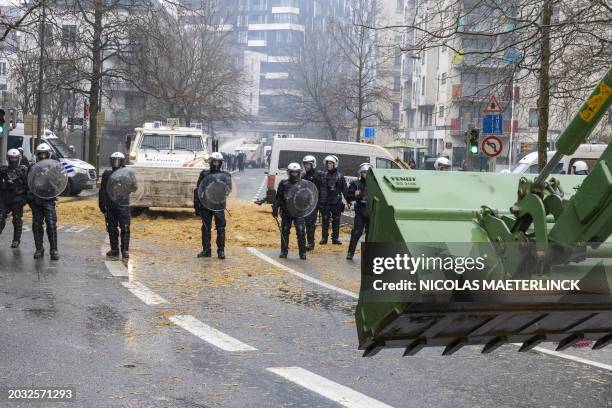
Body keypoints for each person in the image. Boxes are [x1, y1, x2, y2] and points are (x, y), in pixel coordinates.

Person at [194, 152, 230, 259]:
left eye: (218, 162)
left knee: (221, 228)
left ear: (221, 163)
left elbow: (228, 189)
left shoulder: (225, 176)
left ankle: (221, 251)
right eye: (214, 161)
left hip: (219, 205)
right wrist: (197, 206)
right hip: (206, 204)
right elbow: (198, 190)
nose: (216, 164)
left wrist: (221, 191)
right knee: (205, 228)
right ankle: (206, 250)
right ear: (210, 161)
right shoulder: (204, 174)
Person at [99, 152, 133, 259]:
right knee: (112, 228)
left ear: (122, 162)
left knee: (125, 227)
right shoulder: (107, 174)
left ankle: (125, 250)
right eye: (114, 160)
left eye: (118, 161)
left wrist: (126, 185)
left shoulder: (128, 173)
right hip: (110, 205)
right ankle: (114, 249)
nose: (116, 163)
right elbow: (102, 190)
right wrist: (102, 204)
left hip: (123, 204)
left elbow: (134, 187)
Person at [30, 143, 60, 260]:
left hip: (48, 199)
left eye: (44, 154)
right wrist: (30, 198)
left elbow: (58, 183)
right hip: (36, 200)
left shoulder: (54, 167)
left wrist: (49, 179)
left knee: (51, 224)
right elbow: (28, 184)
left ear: (48, 154)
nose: (42, 156)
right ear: (37, 155)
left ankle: (54, 249)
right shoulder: (33, 167)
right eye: (40, 154)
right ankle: (39, 249)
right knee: (37, 224)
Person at [272, 162, 307, 259]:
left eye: (296, 172)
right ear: (289, 173)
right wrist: (275, 208)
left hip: (299, 212)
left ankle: (302, 252)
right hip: (286, 211)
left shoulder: (303, 184)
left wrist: (307, 209)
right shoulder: (283, 183)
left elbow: (308, 197)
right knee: (285, 231)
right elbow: (278, 197)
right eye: (293, 172)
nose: (294, 174)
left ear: (299, 173)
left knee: (300, 231)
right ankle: (284, 251)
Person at [0, 149, 29, 248]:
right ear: (8, 158)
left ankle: (16, 240)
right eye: (11, 158)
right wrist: (4, 184)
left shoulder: (23, 170)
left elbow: (27, 186)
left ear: (19, 158)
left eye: (15, 158)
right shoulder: (3, 170)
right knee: (0, 217)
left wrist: (24, 198)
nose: (13, 160)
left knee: (17, 219)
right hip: (5, 198)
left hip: (17, 198)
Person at [319, 155, 346, 245]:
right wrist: (320, 201)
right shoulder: (324, 175)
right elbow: (321, 189)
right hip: (326, 201)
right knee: (325, 219)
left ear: (335, 164)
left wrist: (349, 200)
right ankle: (324, 238)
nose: (328, 165)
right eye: (328, 163)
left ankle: (335, 238)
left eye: (330, 163)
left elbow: (344, 189)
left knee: (336, 220)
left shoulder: (340, 176)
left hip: (337, 201)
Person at [346, 163, 371, 260]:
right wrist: (354, 195)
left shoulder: (375, 185)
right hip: (360, 211)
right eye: (364, 172)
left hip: (370, 211)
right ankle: (350, 252)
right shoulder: (355, 184)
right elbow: (348, 197)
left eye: (367, 172)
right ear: (361, 173)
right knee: (356, 232)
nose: (365, 174)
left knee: (369, 234)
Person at [301, 155, 322, 251]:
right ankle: (308, 242)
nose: (306, 166)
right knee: (306, 223)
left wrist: (321, 203)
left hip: (315, 202)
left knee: (311, 223)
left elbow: (322, 190)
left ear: (313, 164)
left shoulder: (318, 175)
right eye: (305, 164)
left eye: (308, 164)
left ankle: (311, 243)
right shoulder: (304, 176)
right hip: (305, 203)